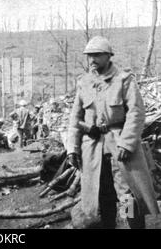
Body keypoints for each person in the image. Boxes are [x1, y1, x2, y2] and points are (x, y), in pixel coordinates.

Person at [67, 36, 159, 229]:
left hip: (119, 149)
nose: (92, 59)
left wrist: (126, 143)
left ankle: (133, 226)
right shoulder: (84, 82)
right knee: (101, 195)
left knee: (127, 195)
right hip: (93, 151)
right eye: (90, 55)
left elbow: (136, 112)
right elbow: (75, 118)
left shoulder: (123, 80)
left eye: (97, 55)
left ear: (108, 56)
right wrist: (72, 149)